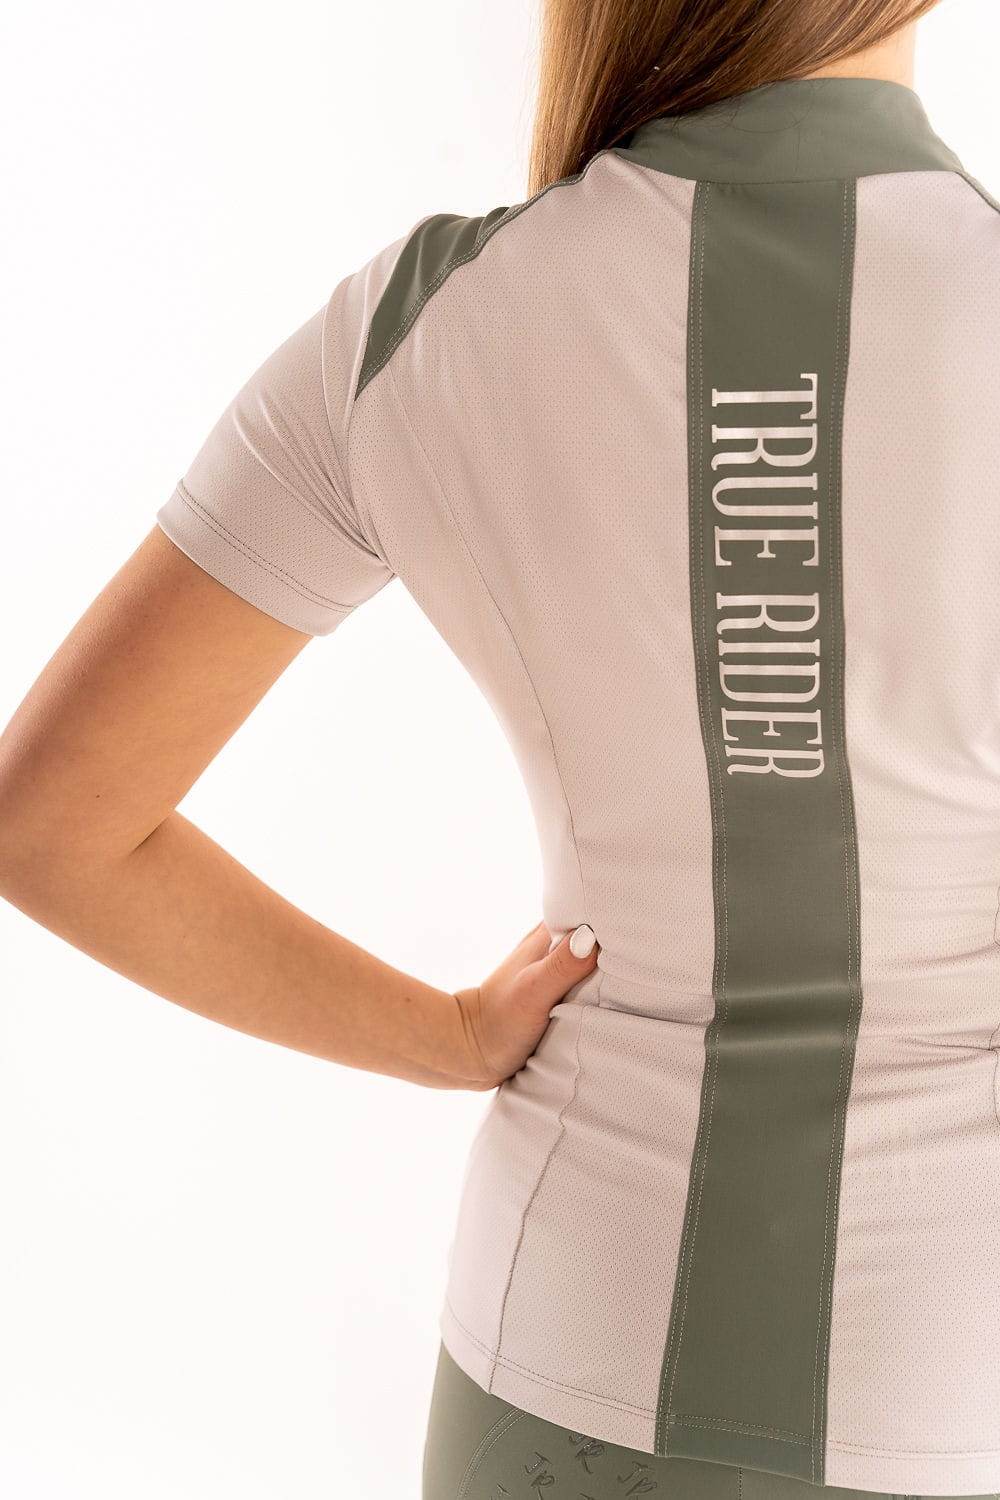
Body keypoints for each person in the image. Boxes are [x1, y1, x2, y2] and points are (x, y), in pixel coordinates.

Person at [1, 0, 998, 1495]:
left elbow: (49, 825)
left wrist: (450, 1035)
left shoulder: (422, 322)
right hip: (958, 1367)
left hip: (566, 1337)